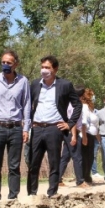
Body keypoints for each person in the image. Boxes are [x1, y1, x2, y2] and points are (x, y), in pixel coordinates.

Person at [28, 55, 82, 197]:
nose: (44, 70)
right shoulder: (34, 84)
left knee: (54, 162)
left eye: (47, 67)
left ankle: (52, 193)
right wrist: (28, 122)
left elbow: (77, 105)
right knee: (33, 163)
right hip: (37, 128)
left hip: (55, 128)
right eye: (42, 67)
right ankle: (31, 193)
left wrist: (70, 124)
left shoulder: (64, 85)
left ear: (55, 69)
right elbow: (27, 105)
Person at [0, 50, 31, 203]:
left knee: (14, 166)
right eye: (3, 62)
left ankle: (13, 197)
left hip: (15, 128)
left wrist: (25, 128)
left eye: (8, 63)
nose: (5, 65)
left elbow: (27, 105)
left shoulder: (23, 81)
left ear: (16, 64)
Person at [58, 86, 88, 188]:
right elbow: (72, 121)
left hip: (70, 132)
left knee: (65, 157)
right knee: (77, 157)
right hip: (71, 132)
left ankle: (57, 179)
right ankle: (80, 181)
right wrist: (74, 136)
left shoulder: (72, 104)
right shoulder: (74, 105)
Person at [80, 89, 99, 186]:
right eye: (92, 96)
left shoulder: (91, 109)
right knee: (85, 158)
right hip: (86, 134)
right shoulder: (84, 107)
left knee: (90, 157)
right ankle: (84, 177)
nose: (93, 98)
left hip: (92, 135)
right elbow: (83, 123)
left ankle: (87, 175)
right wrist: (84, 137)